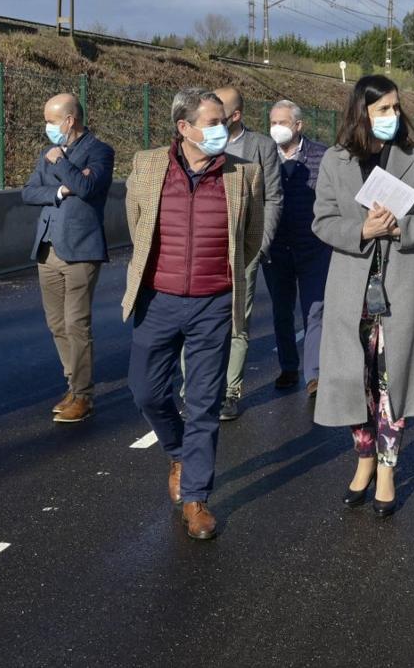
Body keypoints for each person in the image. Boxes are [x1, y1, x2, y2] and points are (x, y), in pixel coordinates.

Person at [122, 88, 263, 541]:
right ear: (184, 128)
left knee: (204, 401)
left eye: (224, 121)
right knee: (145, 390)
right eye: (212, 122)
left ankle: (196, 498)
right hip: (158, 299)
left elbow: (251, 237)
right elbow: (136, 223)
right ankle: (178, 452)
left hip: (213, 303)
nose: (222, 130)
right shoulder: (146, 166)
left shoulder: (244, 174)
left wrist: (221, 282)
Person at [312, 75, 414, 518]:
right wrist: (361, 230)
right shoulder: (335, 161)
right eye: (382, 109)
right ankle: (364, 458)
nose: (392, 116)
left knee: (392, 386)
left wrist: (399, 228)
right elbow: (322, 220)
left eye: (395, 107)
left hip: (406, 288)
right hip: (351, 290)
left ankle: (388, 470)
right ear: (362, 114)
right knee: (357, 384)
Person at [22, 92, 115, 424]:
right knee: (56, 323)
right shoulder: (45, 153)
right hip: (47, 247)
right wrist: (60, 191)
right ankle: (72, 385)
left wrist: (61, 162)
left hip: (80, 247)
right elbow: (29, 192)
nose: (47, 127)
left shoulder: (100, 152)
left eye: (50, 120)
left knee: (77, 323)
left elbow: (89, 189)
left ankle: (84, 395)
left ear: (69, 120)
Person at [213, 86, 282, 421]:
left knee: (237, 322)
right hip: (207, 248)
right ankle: (195, 389)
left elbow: (273, 198)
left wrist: (262, 242)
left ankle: (229, 393)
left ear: (235, 115)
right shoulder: (201, 143)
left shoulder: (261, 147)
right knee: (197, 321)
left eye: (219, 111)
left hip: (246, 248)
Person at [262, 99, 330, 396]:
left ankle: (313, 375)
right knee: (281, 310)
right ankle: (288, 367)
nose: (277, 128)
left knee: (315, 309)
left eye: (283, 122)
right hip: (276, 247)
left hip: (314, 245)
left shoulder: (322, 156)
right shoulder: (265, 156)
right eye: (272, 123)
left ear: (299, 125)